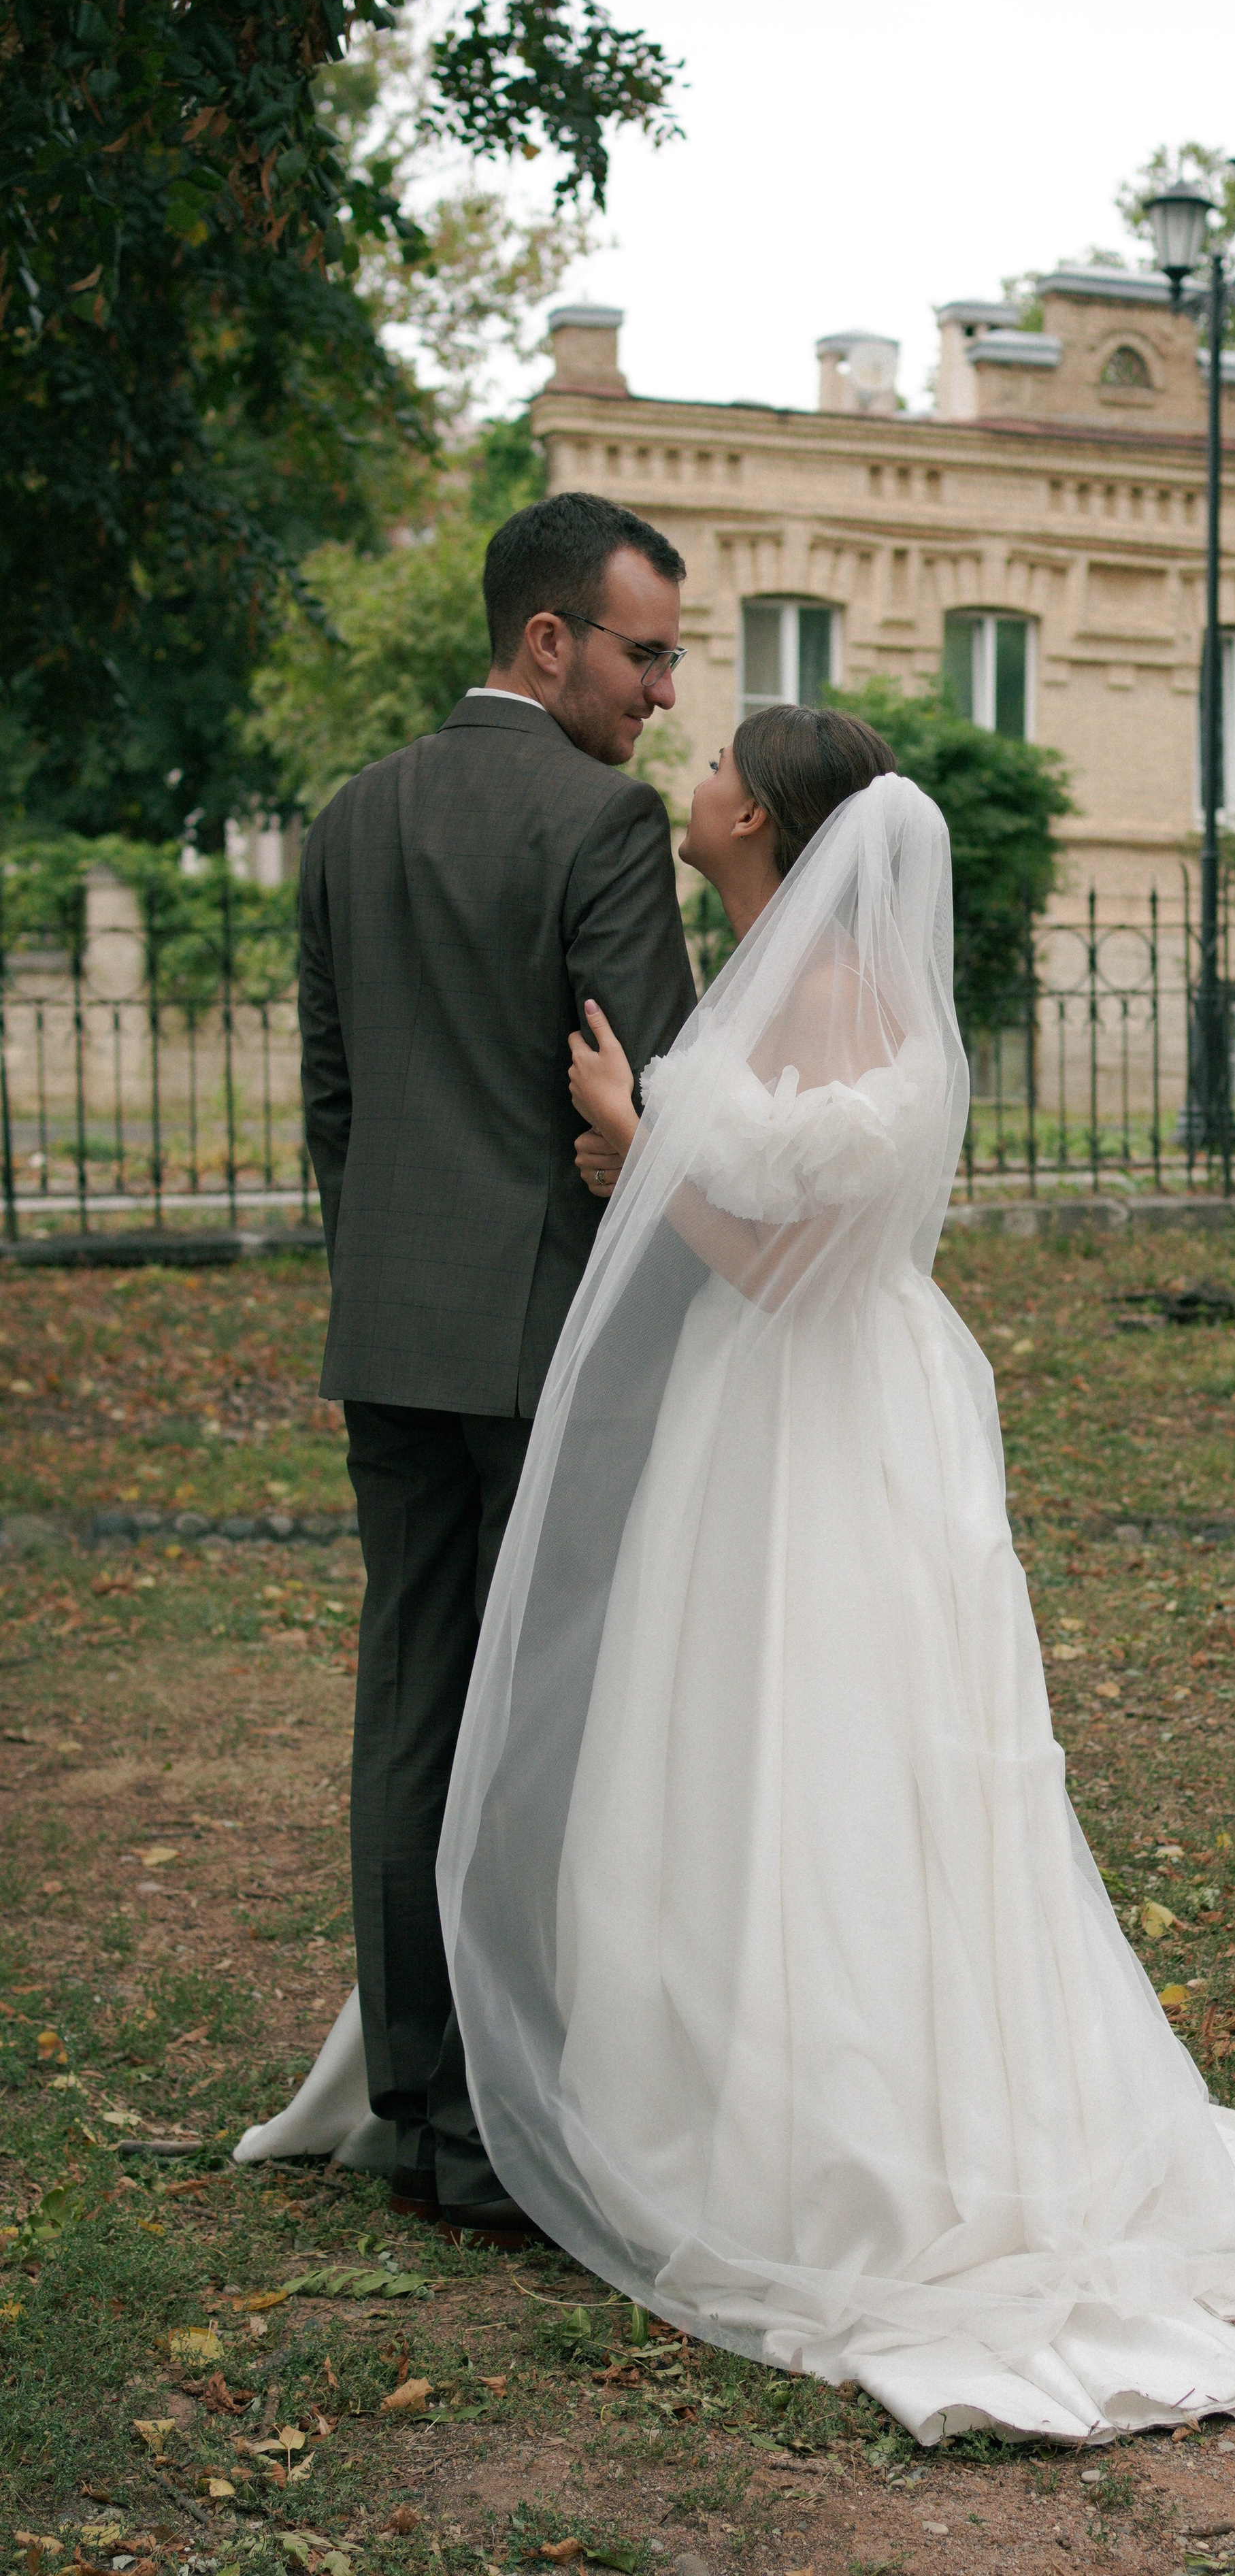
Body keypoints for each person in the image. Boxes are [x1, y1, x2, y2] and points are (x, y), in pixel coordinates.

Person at [432, 706, 1235, 2443]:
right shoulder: (779, 978)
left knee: (838, 1731)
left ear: (761, 818)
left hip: (821, 1406)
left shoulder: (843, 1004)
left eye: (720, 762)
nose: (694, 772)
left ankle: (837, 2116)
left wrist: (640, 1150)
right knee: (750, 1722)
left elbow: (784, 1273)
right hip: (780, 1406)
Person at [276, 492, 697, 2245]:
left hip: (390, 1333)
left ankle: (420, 2113)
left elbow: (334, 1100)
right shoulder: (602, 823)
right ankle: (515, 2126)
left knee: (409, 1707)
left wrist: (387, 1275)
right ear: (548, 640)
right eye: (645, 653)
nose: (664, 692)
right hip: (548, 1344)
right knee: (542, 1730)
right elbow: (657, 1094)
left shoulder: (350, 816)